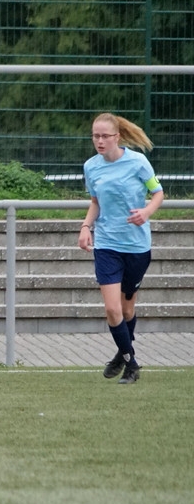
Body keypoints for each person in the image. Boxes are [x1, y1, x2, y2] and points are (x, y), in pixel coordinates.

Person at [78, 112, 164, 385]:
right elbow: (95, 202)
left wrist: (146, 212)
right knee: (113, 310)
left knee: (127, 311)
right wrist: (85, 227)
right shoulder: (91, 167)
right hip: (106, 245)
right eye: (96, 136)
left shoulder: (138, 162)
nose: (100, 141)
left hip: (137, 247)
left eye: (105, 136)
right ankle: (131, 364)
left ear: (117, 137)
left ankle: (122, 352)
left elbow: (158, 193)